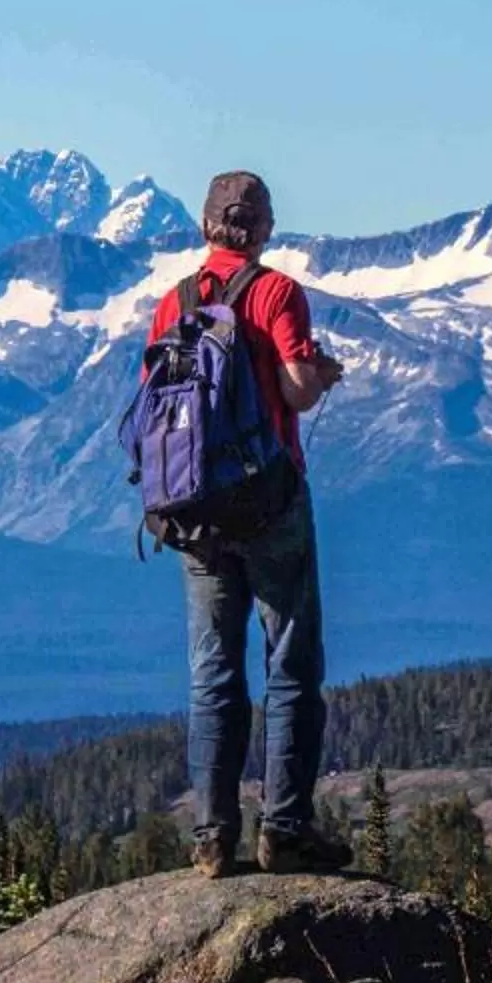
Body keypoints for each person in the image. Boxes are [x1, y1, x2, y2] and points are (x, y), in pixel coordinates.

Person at [147, 169, 349, 878]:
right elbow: (294, 393)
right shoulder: (276, 292)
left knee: (213, 671)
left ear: (205, 227)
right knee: (290, 662)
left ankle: (211, 837)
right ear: (262, 228)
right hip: (268, 503)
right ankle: (286, 828)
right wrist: (321, 373)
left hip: (191, 510)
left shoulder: (171, 302)